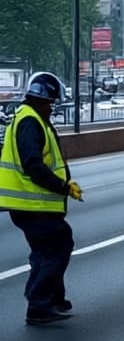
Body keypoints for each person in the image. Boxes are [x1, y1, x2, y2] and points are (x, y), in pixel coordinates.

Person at [0, 73, 84, 326]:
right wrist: (62, 187)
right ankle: (39, 304)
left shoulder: (30, 117)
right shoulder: (30, 122)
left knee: (44, 251)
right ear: (41, 100)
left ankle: (53, 299)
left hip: (33, 204)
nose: (52, 108)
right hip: (32, 203)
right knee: (59, 245)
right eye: (50, 103)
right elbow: (33, 165)